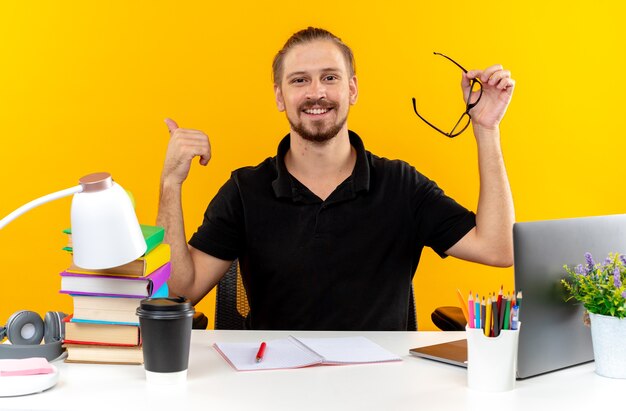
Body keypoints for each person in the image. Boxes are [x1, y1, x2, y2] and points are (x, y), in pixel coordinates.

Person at [157, 27, 515, 331]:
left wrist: (487, 129)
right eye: (300, 81)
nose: (317, 93)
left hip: (381, 386)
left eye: (330, 77)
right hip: (274, 385)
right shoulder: (245, 190)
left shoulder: (401, 185)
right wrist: (171, 183)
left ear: (352, 89)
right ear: (280, 96)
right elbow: (178, 291)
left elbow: (499, 249)